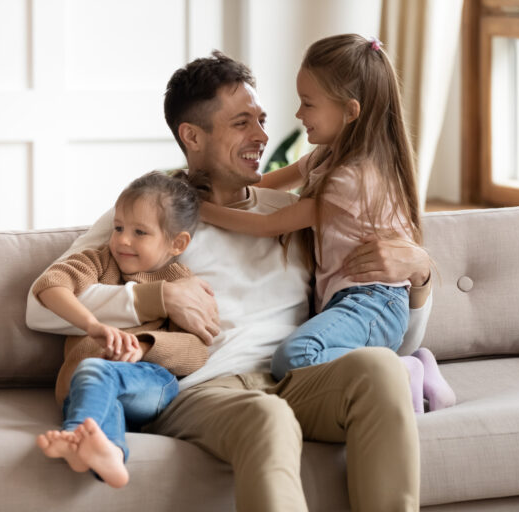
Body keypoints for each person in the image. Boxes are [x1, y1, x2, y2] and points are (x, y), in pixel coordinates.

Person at [27, 47, 431, 511]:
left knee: (379, 369)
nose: (263, 135)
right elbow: (39, 307)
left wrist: (418, 277)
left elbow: (385, 333)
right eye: (242, 123)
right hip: (206, 390)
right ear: (192, 136)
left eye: (261, 119)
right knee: (268, 415)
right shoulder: (150, 216)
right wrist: (159, 296)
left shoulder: (297, 214)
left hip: (297, 376)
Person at [200, 34, 455, 413]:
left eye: (308, 104)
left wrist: (200, 210)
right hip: (351, 304)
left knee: (296, 357)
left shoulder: (351, 179)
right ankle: (416, 365)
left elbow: (272, 223)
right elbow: (265, 183)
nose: (299, 114)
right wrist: (212, 183)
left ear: (350, 111)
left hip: (372, 304)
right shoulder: (325, 158)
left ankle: (402, 372)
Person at [32, 171, 210, 488]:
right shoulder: (98, 261)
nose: (122, 240)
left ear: (176, 243)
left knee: (97, 371)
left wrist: (142, 347)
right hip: (83, 387)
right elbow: (50, 285)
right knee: (94, 387)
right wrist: (93, 325)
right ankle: (108, 454)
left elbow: (197, 350)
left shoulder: (179, 281)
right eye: (118, 228)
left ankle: (74, 436)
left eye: (140, 232)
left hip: (149, 384)